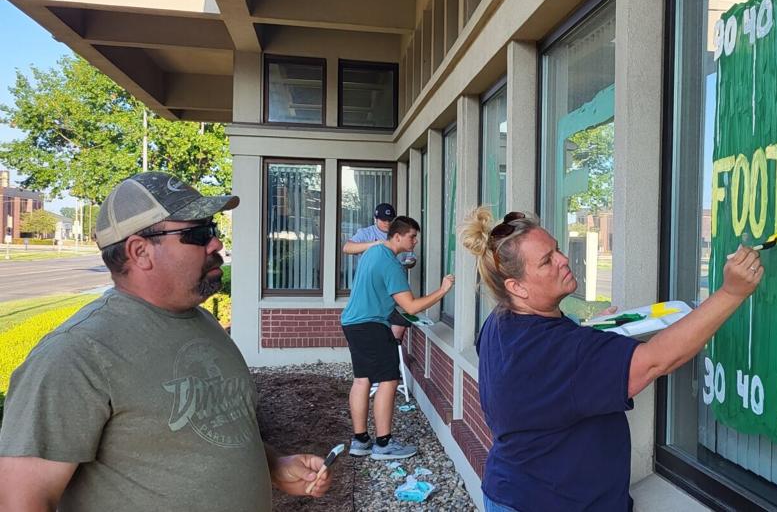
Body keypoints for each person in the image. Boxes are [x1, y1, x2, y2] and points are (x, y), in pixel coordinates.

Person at [0, 172, 333, 511]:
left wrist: (274, 467)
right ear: (140, 251)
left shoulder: (201, 321)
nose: (216, 243)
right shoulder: (77, 353)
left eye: (213, 230)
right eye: (198, 234)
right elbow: (22, 500)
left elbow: (211, 430)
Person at [459, 207, 762, 511]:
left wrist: (585, 331)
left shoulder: (500, 320)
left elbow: (543, 373)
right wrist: (731, 293)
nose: (564, 260)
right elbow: (656, 361)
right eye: (547, 261)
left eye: (557, 249)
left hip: (512, 489)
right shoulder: (561, 349)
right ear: (517, 287)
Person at [341, 215, 454, 460]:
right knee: (389, 381)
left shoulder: (374, 251)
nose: (415, 241)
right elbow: (411, 306)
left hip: (352, 322)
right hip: (372, 325)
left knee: (362, 380)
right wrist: (443, 290)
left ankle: (360, 441)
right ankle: (384, 444)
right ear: (398, 236)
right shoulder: (391, 264)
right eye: (412, 236)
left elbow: (378, 292)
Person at [343, 202, 416, 345]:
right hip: (374, 291)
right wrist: (374, 244)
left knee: (402, 318)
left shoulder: (400, 235)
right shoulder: (366, 233)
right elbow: (347, 247)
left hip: (395, 286)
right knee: (374, 328)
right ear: (375, 219)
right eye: (383, 220)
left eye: (390, 220)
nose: (387, 223)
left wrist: (408, 262)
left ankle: (394, 347)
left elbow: (410, 258)